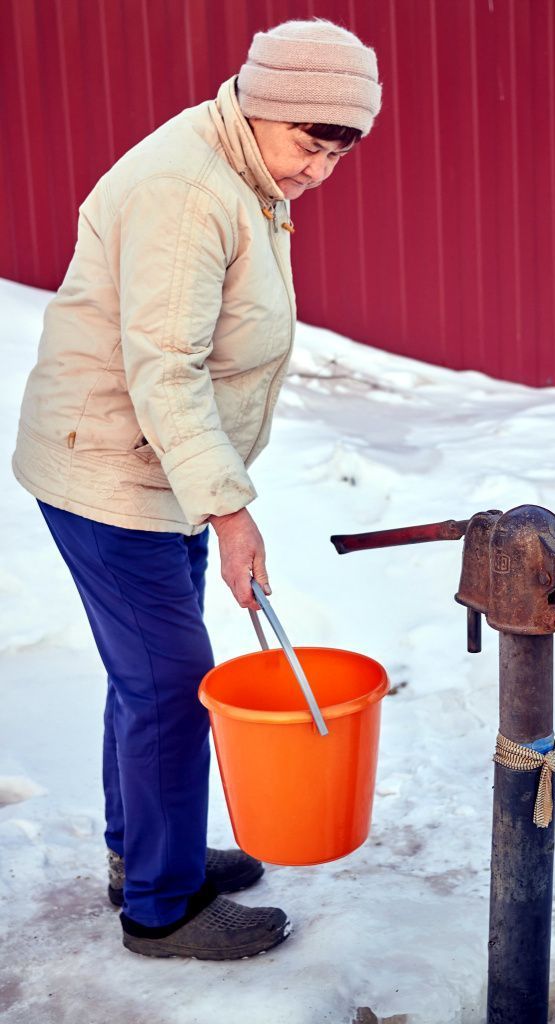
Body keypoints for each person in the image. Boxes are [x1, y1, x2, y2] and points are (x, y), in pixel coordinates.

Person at [12, 18, 381, 960]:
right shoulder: (189, 190)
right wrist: (230, 509)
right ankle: (160, 908)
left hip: (157, 469)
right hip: (113, 472)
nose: (320, 172)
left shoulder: (244, 171)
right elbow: (165, 368)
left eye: (341, 151)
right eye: (311, 144)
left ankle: (141, 855)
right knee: (173, 686)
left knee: (149, 678)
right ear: (263, 109)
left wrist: (209, 494)